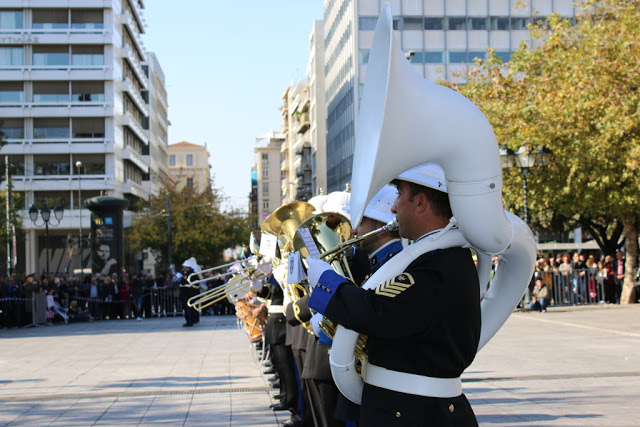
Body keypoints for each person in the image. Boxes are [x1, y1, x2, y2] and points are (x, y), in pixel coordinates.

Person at [307, 164, 481, 426]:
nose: (393, 207)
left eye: (399, 194)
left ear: (421, 202)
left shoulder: (439, 262)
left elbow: (379, 313)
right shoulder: (435, 259)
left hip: (414, 411)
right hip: (410, 407)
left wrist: (326, 282)